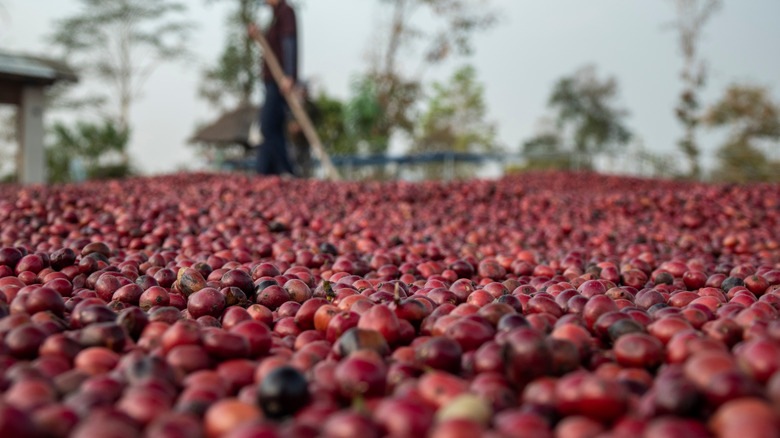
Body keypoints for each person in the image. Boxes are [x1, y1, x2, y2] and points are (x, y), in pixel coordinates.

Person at [248, 0, 298, 176]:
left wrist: (289, 75)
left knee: (268, 127)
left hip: (279, 81)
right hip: (272, 80)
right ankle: (269, 173)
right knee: (274, 127)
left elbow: (288, 42)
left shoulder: (286, 11)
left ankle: (284, 170)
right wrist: (258, 35)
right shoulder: (275, 16)